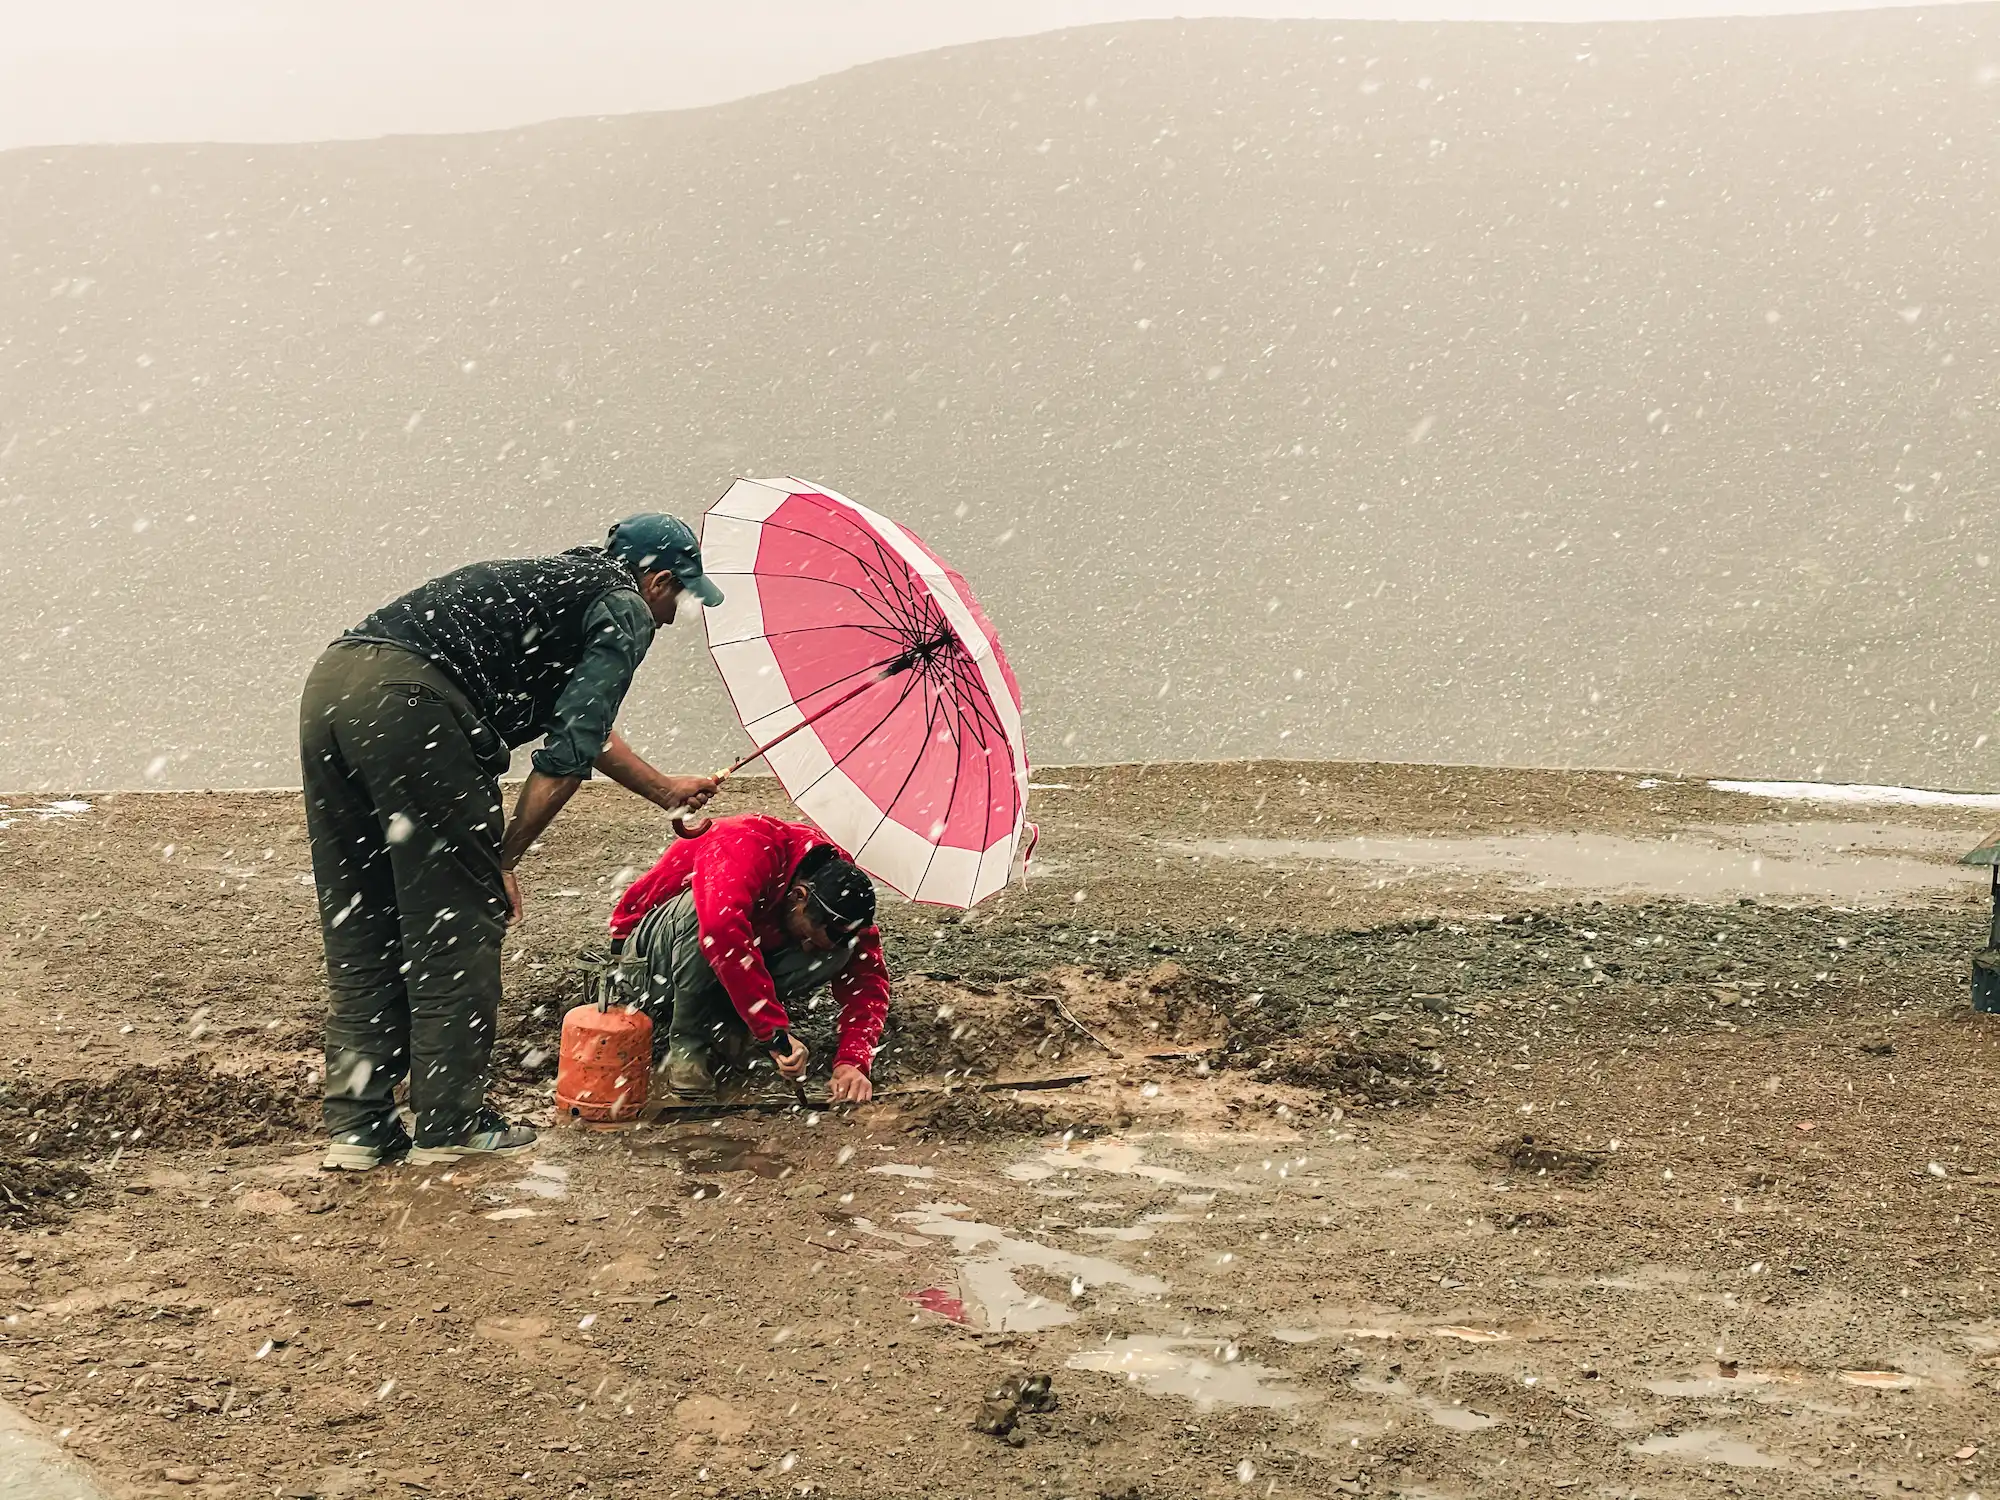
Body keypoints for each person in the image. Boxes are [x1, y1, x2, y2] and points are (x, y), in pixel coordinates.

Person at [302, 514, 724, 1170]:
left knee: (363, 920)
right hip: (413, 704)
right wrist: (499, 860)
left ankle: (358, 1128)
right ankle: (451, 1122)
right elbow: (565, 757)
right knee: (457, 924)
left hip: (332, 689)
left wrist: (666, 791)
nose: (671, 618)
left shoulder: (560, 584)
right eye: (678, 598)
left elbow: (583, 727)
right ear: (659, 579)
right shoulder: (626, 608)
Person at [609, 814, 889, 1103]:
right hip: (649, 963)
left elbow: (868, 985)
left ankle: (729, 1026)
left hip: (723, 961)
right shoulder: (748, 844)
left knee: (841, 951)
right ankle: (688, 1045)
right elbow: (720, 931)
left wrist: (852, 1062)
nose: (806, 950)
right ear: (798, 895)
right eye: (806, 937)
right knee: (709, 916)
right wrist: (773, 1032)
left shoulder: (843, 893)